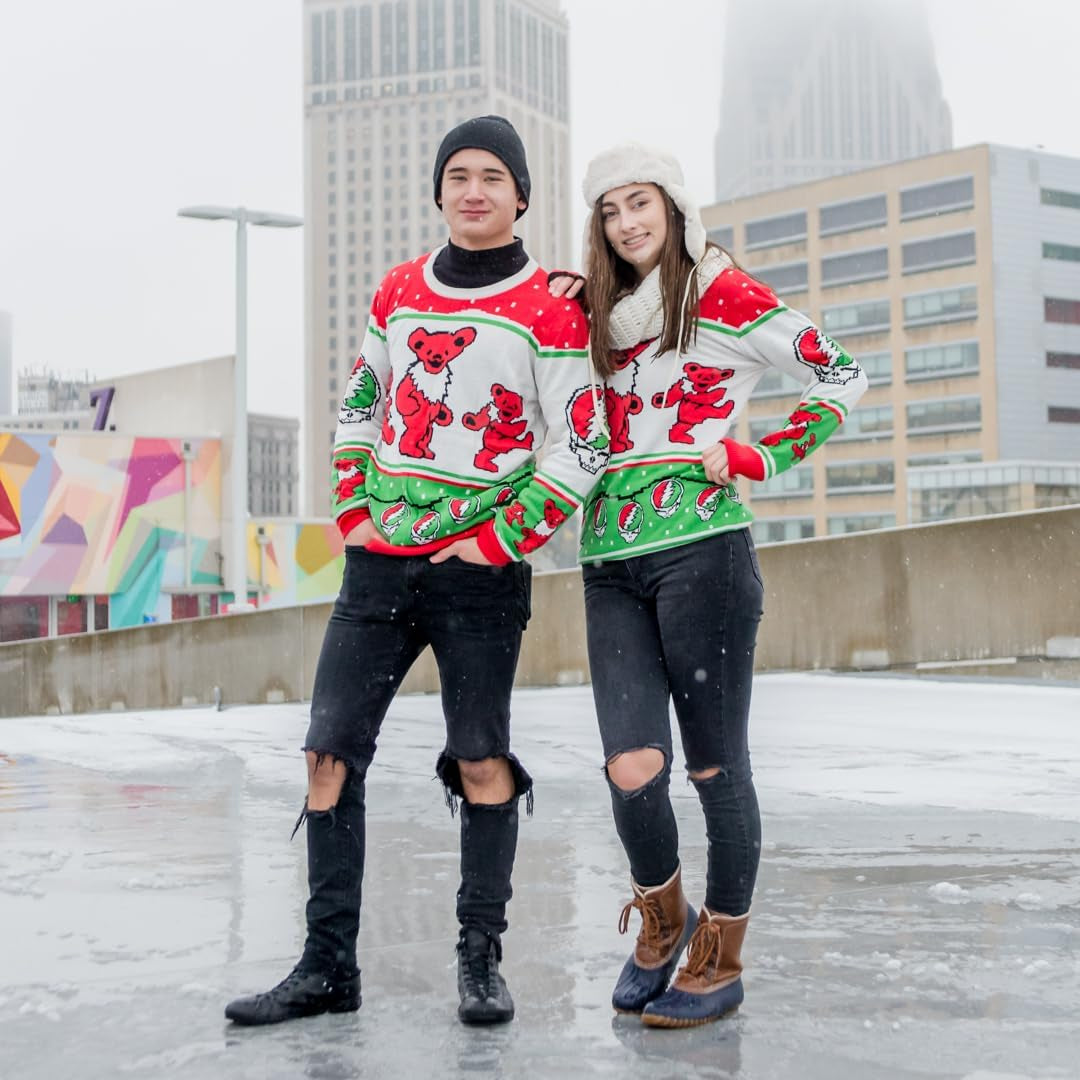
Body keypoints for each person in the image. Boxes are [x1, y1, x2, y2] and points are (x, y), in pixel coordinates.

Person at [225, 116, 606, 1028]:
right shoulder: (398, 290)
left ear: (520, 196)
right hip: (377, 569)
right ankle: (327, 969)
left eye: (493, 177)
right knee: (326, 754)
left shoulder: (553, 308)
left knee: (480, 760)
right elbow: (359, 404)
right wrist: (354, 511)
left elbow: (584, 438)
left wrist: (503, 537)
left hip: (480, 570)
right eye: (458, 176)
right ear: (439, 192)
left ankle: (480, 963)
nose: (474, 191)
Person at [559, 144, 868, 1027]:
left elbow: (840, 375)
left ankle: (718, 957)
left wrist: (756, 453)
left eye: (641, 202)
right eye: (610, 208)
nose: (627, 221)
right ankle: (663, 924)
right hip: (609, 558)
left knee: (714, 766)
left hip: (705, 554)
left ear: (673, 206)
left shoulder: (723, 294)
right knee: (631, 765)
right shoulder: (589, 315)